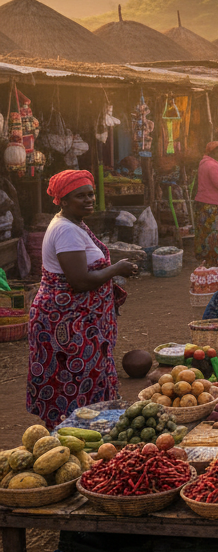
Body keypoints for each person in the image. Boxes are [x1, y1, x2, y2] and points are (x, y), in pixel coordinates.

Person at [27, 171, 139, 426]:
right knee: (72, 382)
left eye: (90, 194)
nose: (89, 200)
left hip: (77, 320)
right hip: (66, 321)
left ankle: (85, 436)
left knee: (84, 378)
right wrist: (116, 269)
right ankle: (73, 436)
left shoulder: (74, 223)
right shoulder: (67, 230)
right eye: (80, 196)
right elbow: (78, 281)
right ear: (63, 201)